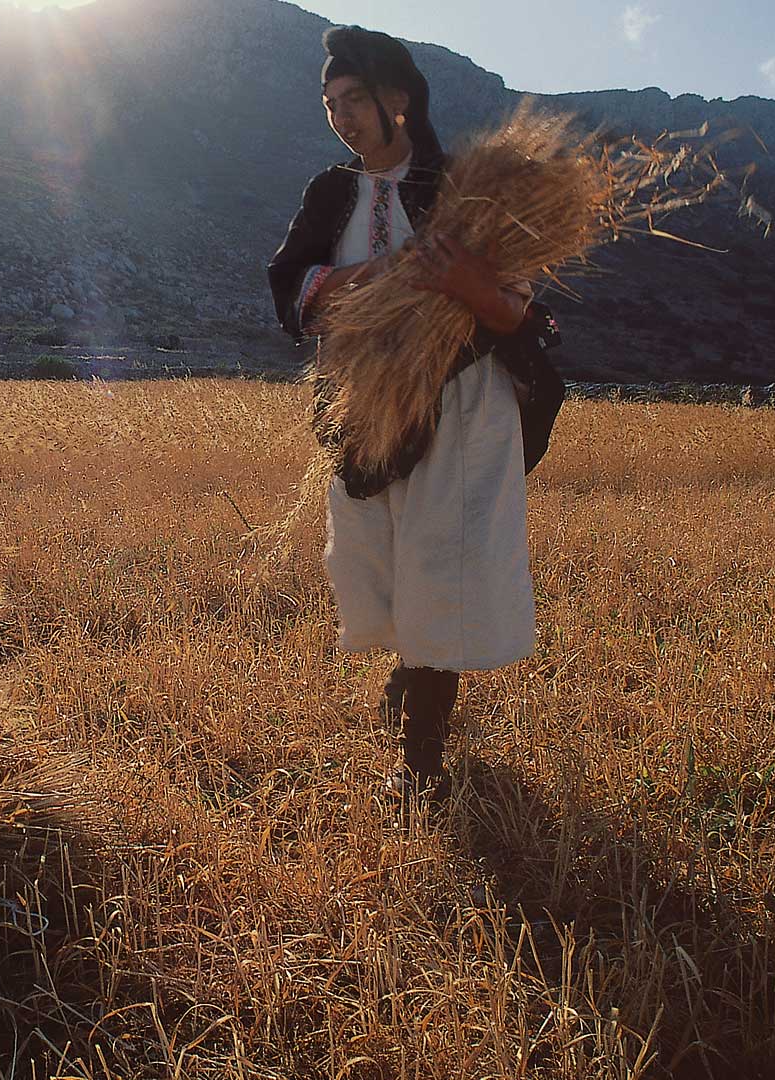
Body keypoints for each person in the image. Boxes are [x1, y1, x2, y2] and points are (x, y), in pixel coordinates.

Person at [266, 26, 537, 805]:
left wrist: (468, 289)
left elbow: (515, 307)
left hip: (458, 403)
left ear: (399, 99)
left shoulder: (465, 188)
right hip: (360, 407)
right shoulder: (330, 192)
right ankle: (409, 672)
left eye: (354, 99)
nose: (341, 116)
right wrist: (385, 273)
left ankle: (421, 763)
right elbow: (293, 287)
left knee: (439, 566)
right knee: (374, 558)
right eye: (330, 103)